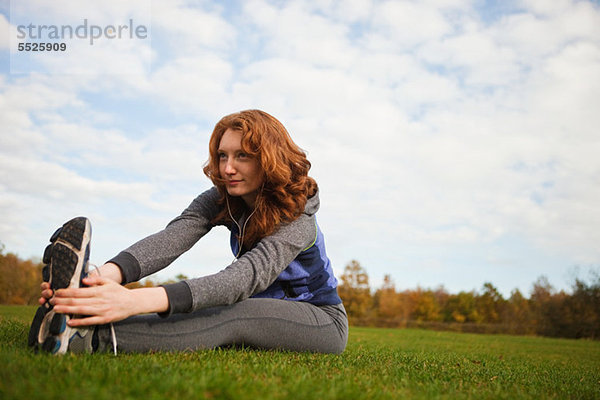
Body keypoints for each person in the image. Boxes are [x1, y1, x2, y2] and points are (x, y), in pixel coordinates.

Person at [28, 109, 348, 355]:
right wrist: (101, 278)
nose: (227, 168)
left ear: (269, 159)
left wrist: (136, 300)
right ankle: (75, 313)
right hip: (265, 307)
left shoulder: (298, 215)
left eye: (242, 156)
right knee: (207, 302)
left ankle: (89, 338)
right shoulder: (223, 197)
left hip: (319, 319)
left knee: (232, 310)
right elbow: (173, 237)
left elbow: (243, 278)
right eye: (223, 155)